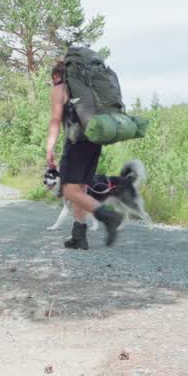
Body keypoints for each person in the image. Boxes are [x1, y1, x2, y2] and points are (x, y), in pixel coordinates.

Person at [46, 60, 123, 249]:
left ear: (57, 76)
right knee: (80, 189)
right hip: (94, 142)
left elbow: (55, 120)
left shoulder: (60, 88)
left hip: (76, 143)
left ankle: (108, 216)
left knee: (68, 190)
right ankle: (79, 236)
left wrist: (49, 148)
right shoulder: (87, 90)